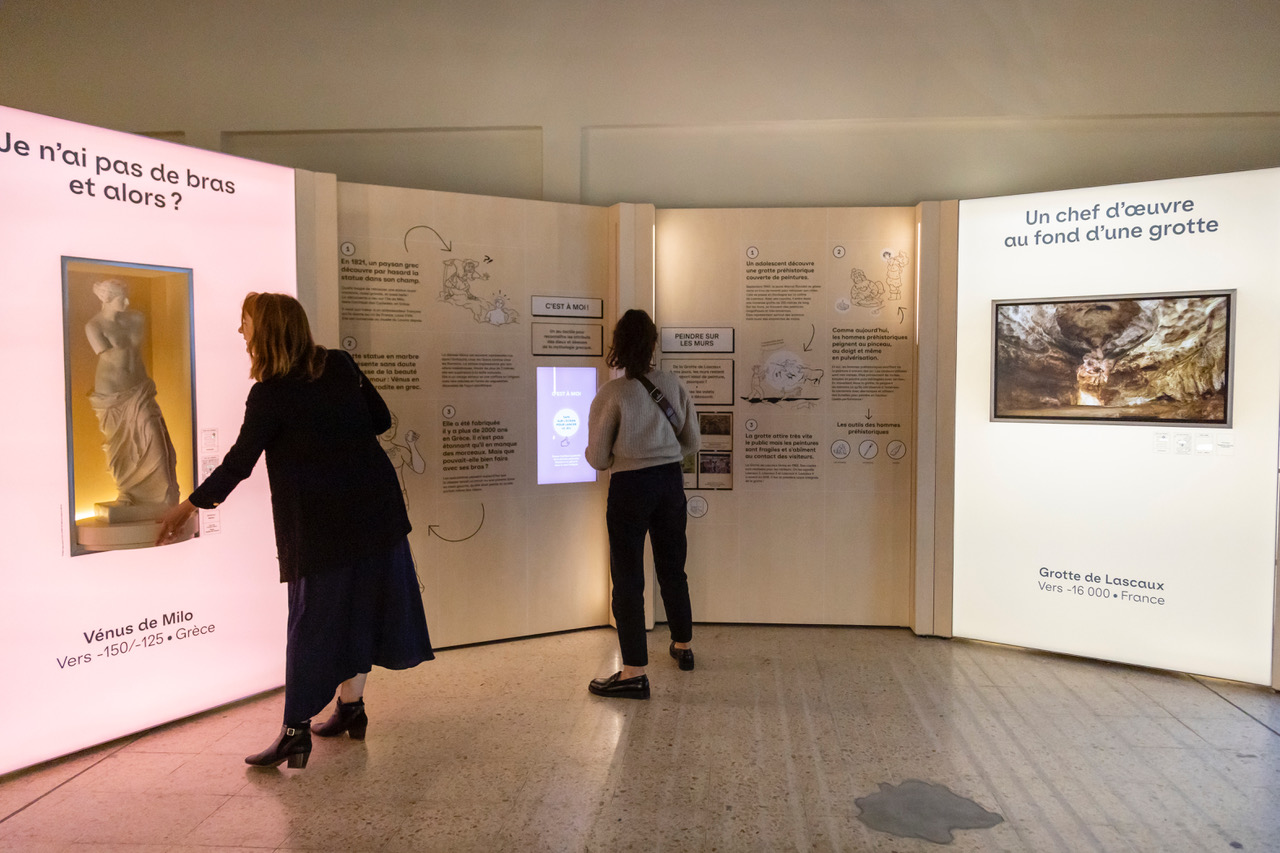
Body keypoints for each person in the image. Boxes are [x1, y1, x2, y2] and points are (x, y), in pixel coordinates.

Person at [155, 293, 433, 768]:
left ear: (265, 330)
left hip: (321, 522)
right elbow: (381, 420)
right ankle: (351, 709)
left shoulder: (271, 392)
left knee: (313, 623)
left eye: (244, 324)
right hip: (376, 510)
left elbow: (240, 462)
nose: (241, 333)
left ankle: (294, 733)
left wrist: (189, 505)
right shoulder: (340, 365)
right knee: (360, 608)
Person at [585, 309, 700, 699]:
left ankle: (633, 671)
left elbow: (599, 458)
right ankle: (683, 646)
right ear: (652, 343)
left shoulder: (612, 395)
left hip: (629, 488)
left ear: (617, 346)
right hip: (669, 482)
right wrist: (662, 453)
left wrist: (626, 456)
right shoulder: (673, 384)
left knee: (628, 577)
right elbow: (692, 442)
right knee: (673, 567)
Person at [85, 278, 180, 514]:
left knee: (156, 440)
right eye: (121, 299)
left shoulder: (136, 319)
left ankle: (163, 498)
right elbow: (109, 357)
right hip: (112, 394)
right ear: (107, 299)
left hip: (139, 389)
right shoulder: (94, 326)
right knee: (120, 448)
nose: (127, 302)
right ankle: (126, 492)